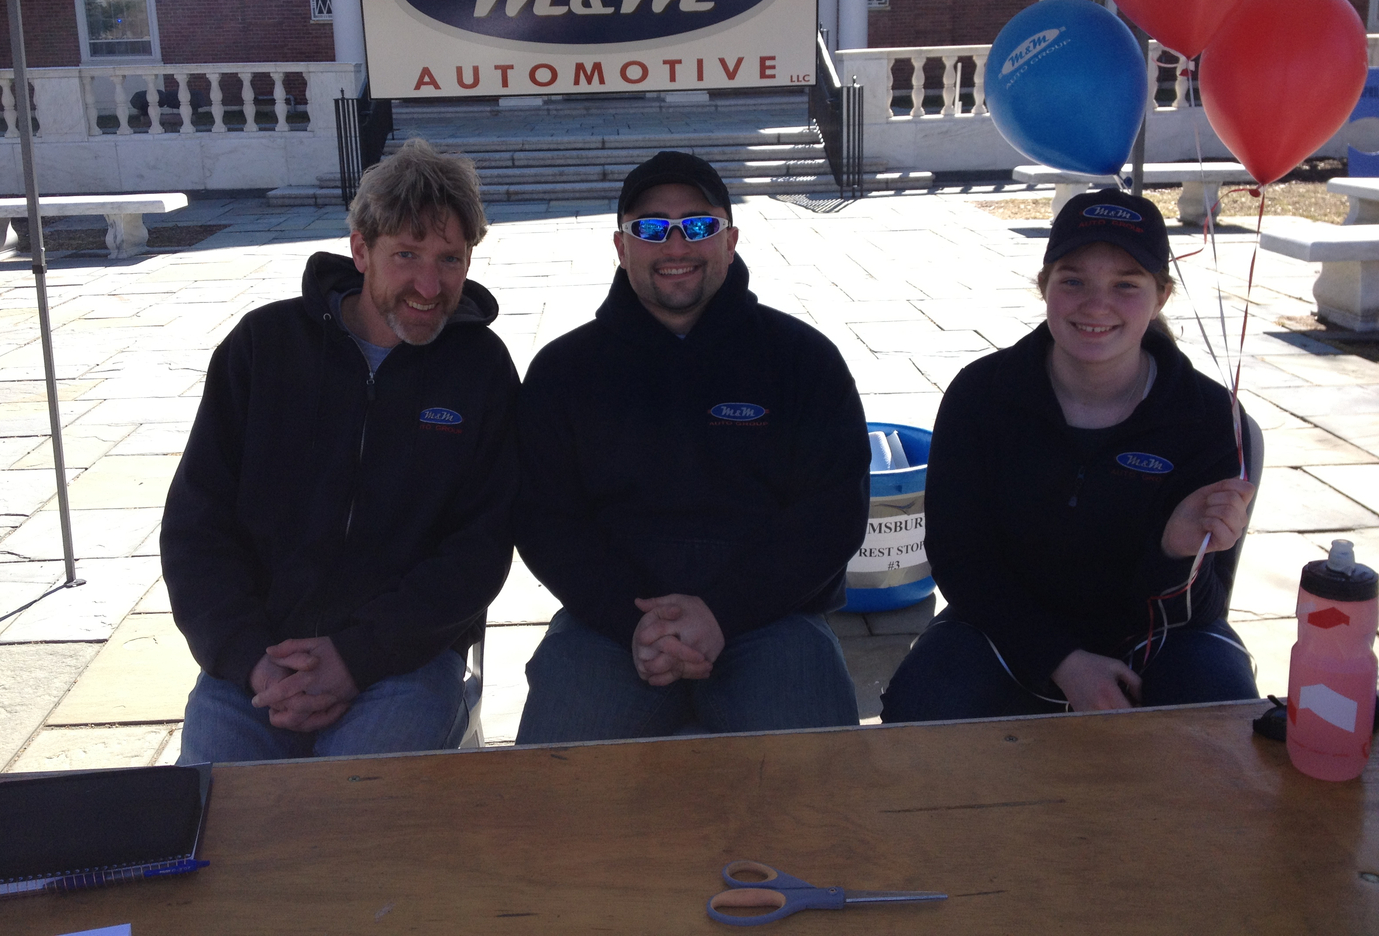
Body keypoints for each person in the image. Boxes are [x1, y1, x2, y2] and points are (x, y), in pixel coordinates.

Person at [162, 139, 519, 762]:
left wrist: (357, 656)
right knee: (218, 823)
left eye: (450, 260)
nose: (430, 285)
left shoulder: (480, 369)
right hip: (259, 661)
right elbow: (198, 527)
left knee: (355, 823)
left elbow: (481, 547)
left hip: (402, 661)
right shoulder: (263, 348)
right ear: (361, 249)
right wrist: (251, 661)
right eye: (406, 255)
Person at [512, 150, 871, 744]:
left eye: (699, 225)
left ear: (730, 241)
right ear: (621, 247)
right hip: (612, 628)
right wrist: (635, 623)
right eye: (651, 228)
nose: (676, 245)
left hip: (769, 621)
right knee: (556, 799)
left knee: (817, 793)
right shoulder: (564, 371)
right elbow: (546, 520)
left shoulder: (802, 360)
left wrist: (722, 614)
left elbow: (831, 514)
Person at [881, 188, 1259, 722]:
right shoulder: (981, 395)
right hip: (1007, 626)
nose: (1095, 304)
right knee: (921, 709)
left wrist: (1174, 555)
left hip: (1158, 634)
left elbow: (1201, 611)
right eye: (1073, 280)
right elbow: (960, 557)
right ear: (1045, 286)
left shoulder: (1208, 416)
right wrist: (1061, 660)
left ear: (1161, 297)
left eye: (1126, 285)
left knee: (1223, 722)